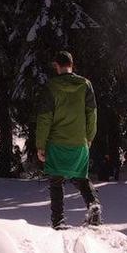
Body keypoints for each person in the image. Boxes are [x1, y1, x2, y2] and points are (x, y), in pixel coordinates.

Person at [33, 50, 100, 231]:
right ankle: (93, 205)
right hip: (80, 141)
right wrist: (90, 136)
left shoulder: (51, 87)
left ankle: (58, 220)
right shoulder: (85, 85)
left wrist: (40, 145)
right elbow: (92, 113)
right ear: (72, 64)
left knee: (56, 180)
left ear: (57, 65)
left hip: (56, 142)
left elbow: (45, 117)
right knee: (81, 177)